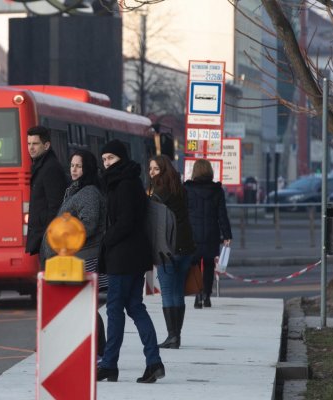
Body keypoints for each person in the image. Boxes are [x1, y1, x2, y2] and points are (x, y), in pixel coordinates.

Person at [96, 139, 165, 384]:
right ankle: (153, 362)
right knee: (134, 307)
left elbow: (126, 221)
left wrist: (106, 239)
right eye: (104, 160)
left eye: (111, 159)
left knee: (115, 309)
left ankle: (109, 365)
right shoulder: (127, 181)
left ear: (121, 159)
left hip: (123, 256)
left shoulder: (123, 184)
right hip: (133, 256)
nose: (107, 164)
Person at [40, 149, 108, 360]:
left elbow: (88, 223)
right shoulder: (77, 190)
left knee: (84, 307)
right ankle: (94, 350)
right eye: (72, 165)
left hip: (84, 258)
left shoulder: (88, 192)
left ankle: (96, 351)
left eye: (79, 166)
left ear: (87, 168)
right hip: (76, 257)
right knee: (82, 307)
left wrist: (64, 240)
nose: (74, 169)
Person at [148, 155, 196, 349]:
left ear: (163, 171)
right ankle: (177, 336)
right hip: (186, 247)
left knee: (168, 292)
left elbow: (153, 223)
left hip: (167, 248)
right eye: (150, 169)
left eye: (155, 169)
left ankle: (171, 336)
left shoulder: (158, 192)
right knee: (178, 292)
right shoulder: (181, 190)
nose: (151, 172)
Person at [184, 159, 232, 308]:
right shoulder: (217, 190)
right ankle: (207, 295)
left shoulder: (187, 189)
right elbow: (222, 215)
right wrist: (227, 235)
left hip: (192, 233)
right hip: (212, 233)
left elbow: (183, 213)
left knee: (195, 263)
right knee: (210, 264)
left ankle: (198, 295)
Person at [24, 125, 67, 258]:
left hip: (48, 239)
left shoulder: (50, 168)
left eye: (35, 144)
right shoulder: (41, 166)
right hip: (43, 236)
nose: (31, 147)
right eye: (29, 143)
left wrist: (48, 237)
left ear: (46, 145)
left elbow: (56, 206)